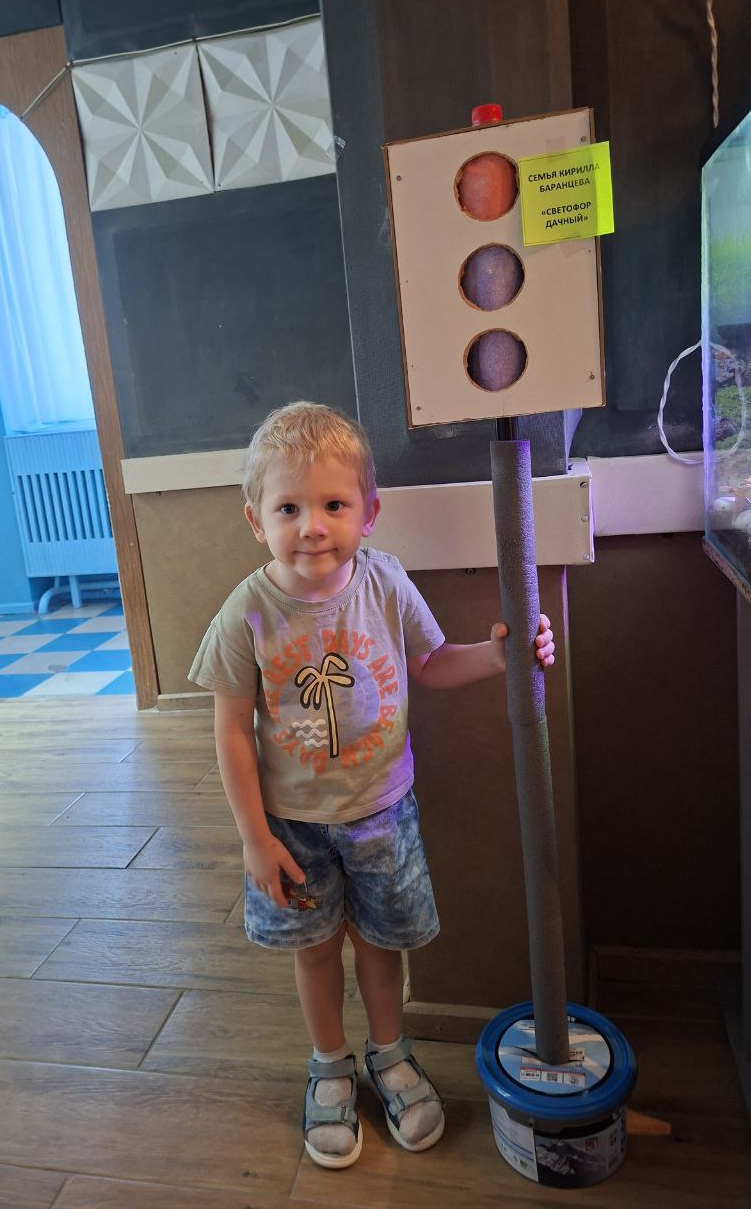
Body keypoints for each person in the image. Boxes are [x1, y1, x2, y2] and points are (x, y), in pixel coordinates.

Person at [189, 401, 555, 1170]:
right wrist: (254, 839)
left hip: (384, 814)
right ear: (256, 520)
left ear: (369, 512)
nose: (312, 527)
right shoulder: (246, 613)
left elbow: (432, 664)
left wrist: (500, 655)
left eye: (333, 505)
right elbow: (231, 733)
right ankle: (330, 1065)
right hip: (291, 827)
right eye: (288, 508)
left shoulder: (384, 582)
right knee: (316, 950)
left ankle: (391, 1054)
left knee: (382, 947)